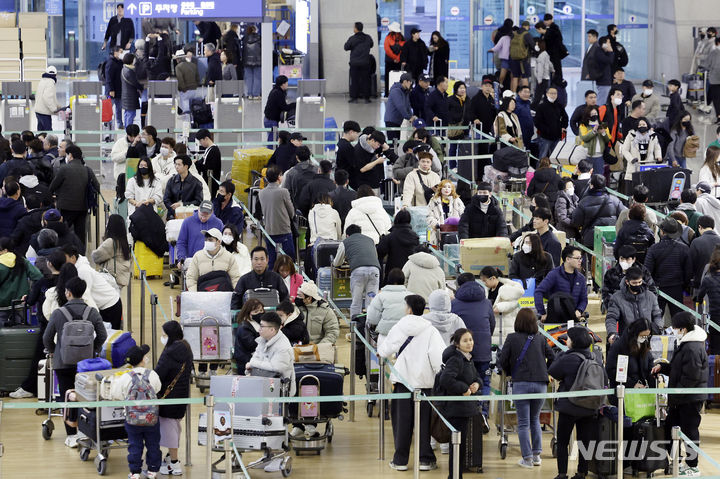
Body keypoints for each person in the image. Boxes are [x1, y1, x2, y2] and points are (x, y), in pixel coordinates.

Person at [378, 294, 444, 471]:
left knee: (401, 423)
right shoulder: (431, 330)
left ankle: (400, 460)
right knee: (424, 422)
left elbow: (385, 350)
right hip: (424, 383)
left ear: (409, 309)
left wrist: (382, 351)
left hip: (402, 381)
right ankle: (424, 459)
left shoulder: (400, 326)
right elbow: (439, 359)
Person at [44, 276, 107, 448]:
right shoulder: (92, 312)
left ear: (68, 293)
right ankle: (85, 431)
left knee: (67, 396)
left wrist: (53, 350)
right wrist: (94, 349)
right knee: (86, 397)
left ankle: (71, 435)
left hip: (63, 363)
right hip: (86, 364)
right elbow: (102, 335)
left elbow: (47, 337)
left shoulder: (58, 313)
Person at [651, 312, 708, 477]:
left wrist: (676, 394)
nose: (673, 330)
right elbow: (678, 369)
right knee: (672, 427)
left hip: (689, 398)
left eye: (675, 328)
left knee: (690, 432)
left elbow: (691, 377)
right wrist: (663, 367)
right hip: (681, 398)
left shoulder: (692, 347)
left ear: (683, 329)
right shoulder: (686, 343)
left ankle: (693, 465)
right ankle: (678, 460)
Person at [499, 308, 555, 468]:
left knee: (523, 423)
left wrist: (510, 372)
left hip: (521, 383)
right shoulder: (540, 338)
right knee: (535, 419)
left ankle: (527, 459)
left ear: (518, 322)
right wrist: (546, 372)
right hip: (540, 384)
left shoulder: (511, 338)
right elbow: (553, 357)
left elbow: (502, 361)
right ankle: (537, 456)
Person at [547, 327, 601, 479]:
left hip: (569, 407)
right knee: (585, 441)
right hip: (589, 406)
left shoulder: (567, 357)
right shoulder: (594, 357)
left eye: (568, 338)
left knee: (563, 441)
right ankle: (582, 472)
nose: (567, 340)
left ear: (574, 341)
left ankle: (562, 473)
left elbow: (553, 371)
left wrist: (561, 353)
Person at [108, 344, 163, 479]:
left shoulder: (125, 377)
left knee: (134, 444)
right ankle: (152, 470)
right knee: (153, 444)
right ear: (143, 359)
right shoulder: (153, 374)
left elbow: (116, 394)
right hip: (151, 419)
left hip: (132, 419)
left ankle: (135, 472)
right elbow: (158, 389)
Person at [438, 328, 482, 479]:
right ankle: (454, 475)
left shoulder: (468, 358)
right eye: (465, 340)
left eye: (470, 339)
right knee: (457, 446)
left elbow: (476, 377)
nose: (469, 343)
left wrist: (477, 384)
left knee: (460, 445)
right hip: (456, 409)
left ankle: (456, 475)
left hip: (465, 408)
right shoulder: (456, 359)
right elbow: (446, 379)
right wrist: (464, 389)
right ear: (457, 344)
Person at [450, 272, 494, 421]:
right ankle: (483, 412)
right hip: (483, 351)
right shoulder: (487, 303)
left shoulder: (454, 303)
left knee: (464, 381)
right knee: (485, 381)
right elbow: (492, 325)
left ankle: (469, 413)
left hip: (462, 352)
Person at [155, 321, 193, 476]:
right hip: (182, 394)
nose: (162, 337)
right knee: (175, 426)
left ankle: (174, 463)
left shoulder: (170, 352)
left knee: (169, 429)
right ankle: (171, 457)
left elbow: (159, 374)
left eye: (164, 334)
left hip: (168, 397)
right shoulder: (186, 347)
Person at [47, 145, 100, 248]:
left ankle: (66, 252)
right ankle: (81, 254)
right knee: (80, 233)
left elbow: (52, 186)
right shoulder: (87, 170)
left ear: (70, 155)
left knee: (64, 231)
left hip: (65, 206)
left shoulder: (64, 169)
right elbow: (97, 186)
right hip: (82, 207)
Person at [644, 217, 692, 319]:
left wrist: (652, 286)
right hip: (677, 288)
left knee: (656, 318)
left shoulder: (653, 249)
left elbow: (647, 271)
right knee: (678, 319)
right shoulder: (684, 249)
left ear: (662, 231)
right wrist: (683, 285)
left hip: (658, 288)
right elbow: (688, 272)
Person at [333, 223, 381, 317]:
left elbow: (337, 262)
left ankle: (355, 328)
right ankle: (370, 327)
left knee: (356, 301)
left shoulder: (345, 242)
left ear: (347, 235)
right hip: (375, 270)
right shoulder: (370, 240)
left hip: (358, 271)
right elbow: (375, 256)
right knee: (371, 300)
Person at [605, 266, 663, 342]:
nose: (637, 285)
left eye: (640, 282)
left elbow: (657, 315)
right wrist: (612, 333)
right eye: (634, 283)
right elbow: (611, 318)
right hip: (627, 340)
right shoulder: (617, 298)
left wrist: (657, 330)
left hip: (647, 339)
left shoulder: (650, 296)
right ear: (627, 282)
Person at [245, 312, 297, 395]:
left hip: (279, 391)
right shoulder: (262, 340)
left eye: (262, 326)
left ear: (272, 329)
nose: (259, 329)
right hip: (261, 387)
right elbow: (255, 358)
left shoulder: (283, 346)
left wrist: (253, 364)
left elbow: (276, 367)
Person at [571, 174, 626, 249]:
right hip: (611, 238)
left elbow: (576, 222)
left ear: (591, 186)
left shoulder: (584, 202)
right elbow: (623, 217)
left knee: (592, 260)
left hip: (591, 240)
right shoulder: (615, 200)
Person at [534, 245, 588, 321]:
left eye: (581, 258)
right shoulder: (554, 274)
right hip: (556, 319)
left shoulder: (581, 278)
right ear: (568, 259)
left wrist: (579, 310)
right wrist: (542, 312)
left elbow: (584, 299)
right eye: (577, 258)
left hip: (574, 319)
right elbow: (538, 291)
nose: (580, 261)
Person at [606, 318, 655, 398]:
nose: (644, 339)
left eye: (647, 336)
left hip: (642, 393)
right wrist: (632, 384)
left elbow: (649, 364)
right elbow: (610, 370)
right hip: (623, 393)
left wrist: (654, 374)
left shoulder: (644, 344)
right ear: (635, 334)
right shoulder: (619, 346)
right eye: (642, 336)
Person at [258, 166, 295, 268]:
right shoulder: (283, 192)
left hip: (269, 230)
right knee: (289, 259)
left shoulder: (261, 193)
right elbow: (291, 212)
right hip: (284, 230)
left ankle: (271, 281)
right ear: (279, 177)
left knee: (271, 260)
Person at [185, 228, 241, 292]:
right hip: (203, 295)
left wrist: (235, 294)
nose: (207, 242)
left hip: (223, 295)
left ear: (219, 242)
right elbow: (191, 278)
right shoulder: (198, 256)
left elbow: (235, 278)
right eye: (206, 240)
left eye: (210, 240)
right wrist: (195, 295)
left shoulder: (229, 257)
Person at [602, 245, 657, 310]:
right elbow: (606, 292)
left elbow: (652, 291)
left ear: (634, 259)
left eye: (628, 259)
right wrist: (612, 308)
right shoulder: (611, 273)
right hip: (618, 310)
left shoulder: (643, 272)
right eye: (622, 259)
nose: (624, 262)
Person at [479, 266, 524, 345]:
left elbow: (514, 304)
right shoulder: (488, 290)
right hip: (496, 327)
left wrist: (500, 307)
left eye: (485, 281)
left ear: (492, 278)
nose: (484, 284)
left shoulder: (506, 289)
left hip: (506, 327)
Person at [367, 268, 413, 345]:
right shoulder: (412, 296)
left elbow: (372, 320)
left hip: (386, 336)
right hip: (407, 337)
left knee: (385, 356)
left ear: (389, 280)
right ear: (403, 280)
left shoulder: (379, 296)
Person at [174, 200, 223, 267]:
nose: (203, 218)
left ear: (211, 212)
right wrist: (181, 259)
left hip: (212, 262)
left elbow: (222, 244)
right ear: (198, 209)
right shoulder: (188, 222)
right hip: (192, 261)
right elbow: (181, 242)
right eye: (201, 215)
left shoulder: (218, 223)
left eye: (206, 216)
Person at [377, 209, 419, 285]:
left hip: (392, 273)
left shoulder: (390, 237)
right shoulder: (415, 236)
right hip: (410, 272)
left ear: (396, 219)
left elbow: (379, 252)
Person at [0, 238, 42, 311]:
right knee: (19, 322)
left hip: (2, 305)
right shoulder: (22, 260)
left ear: (5, 250)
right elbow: (38, 276)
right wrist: (31, 293)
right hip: (20, 303)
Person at [90, 214, 131, 289]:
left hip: (112, 277)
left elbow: (96, 257)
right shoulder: (124, 241)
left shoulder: (111, 242)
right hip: (121, 276)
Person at [162, 154, 204, 222]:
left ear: (186, 166)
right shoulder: (171, 181)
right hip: (172, 213)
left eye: (179, 165)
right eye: (175, 164)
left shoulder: (196, 183)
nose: (176, 167)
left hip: (190, 214)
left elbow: (199, 201)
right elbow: (166, 199)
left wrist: (182, 205)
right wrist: (174, 209)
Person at [622, 117, 663, 182]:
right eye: (640, 125)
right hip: (635, 165)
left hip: (648, 164)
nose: (642, 126)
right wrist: (631, 159)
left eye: (644, 124)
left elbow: (657, 148)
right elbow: (624, 150)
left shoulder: (653, 135)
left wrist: (658, 156)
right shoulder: (631, 135)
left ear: (647, 125)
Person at [696, 247, 720, 353]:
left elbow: (700, 296)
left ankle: (715, 366)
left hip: (715, 316)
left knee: (715, 343)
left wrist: (699, 300)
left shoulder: (708, 279)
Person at [426, 179, 465, 244]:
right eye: (444, 187)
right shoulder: (433, 200)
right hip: (438, 232)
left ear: (452, 189)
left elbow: (463, 215)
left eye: (449, 187)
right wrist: (436, 225)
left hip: (454, 232)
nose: (446, 189)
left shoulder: (457, 200)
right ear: (440, 189)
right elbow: (429, 216)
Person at [534, 87, 569, 159]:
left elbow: (565, 118)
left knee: (555, 158)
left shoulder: (559, 106)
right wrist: (546, 130)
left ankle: (554, 170)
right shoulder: (541, 106)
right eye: (551, 93)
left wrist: (563, 127)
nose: (553, 95)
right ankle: (540, 170)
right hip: (545, 138)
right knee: (542, 157)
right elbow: (537, 122)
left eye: (555, 93)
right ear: (547, 94)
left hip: (557, 137)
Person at [344, 22, 374, 103]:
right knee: (366, 80)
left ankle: (354, 98)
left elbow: (346, 47)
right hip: (365, 62)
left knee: (354, 81)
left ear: (356, 28)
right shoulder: (368, 38)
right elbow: (371, 45)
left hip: (354, 63)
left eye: (354, 27)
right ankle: (367, 98)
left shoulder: (352, 38)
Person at [233, 299, 265, 372]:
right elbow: (252, 345)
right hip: (246, 363)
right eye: (256, 312)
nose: (260, 313)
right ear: (248, 313)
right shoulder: (244, 327)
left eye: (261, 310)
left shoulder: (260, 324)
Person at [690, 215, 720, 289]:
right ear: (712, 227)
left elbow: (691, 264)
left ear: (700, 227)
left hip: (700, 284)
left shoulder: (696, 242)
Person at [384, 73, 415, 143]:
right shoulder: (396, 91)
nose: (411, 84)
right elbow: (400, 106)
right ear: (404, 82)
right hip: (391, 120)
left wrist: (411, 116)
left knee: (396, 142)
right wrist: (408, 117)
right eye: (410, 82)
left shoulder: (405, 92)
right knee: (392, 143)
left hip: (398, 121)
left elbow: (408, 105)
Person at [263, 76, 296, 142]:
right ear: (283, 84)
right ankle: (271, 152)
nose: (287, 85)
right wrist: (295, 104)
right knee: (272, 141)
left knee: (272, 139)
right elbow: (284, 107)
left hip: (268, 119)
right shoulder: (278, 93)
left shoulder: (275, 90)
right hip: (271, 121)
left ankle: (272, 151)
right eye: (286, 83)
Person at [174, 48, 201, 120]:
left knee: (186, 111)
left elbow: (180, 80)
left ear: (178, 59)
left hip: (185, 91)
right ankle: (194, 123)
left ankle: (187, 126)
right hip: (194, 90)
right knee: (194, 108)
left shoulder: (178, 67)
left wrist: (183, 89)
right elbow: (198, 78)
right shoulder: (193, 65)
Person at [194, 129, 221, 197]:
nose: (200, 143)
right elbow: (203, 161)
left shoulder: (214, 150)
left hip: (211, 182)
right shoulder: (208, 149)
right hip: (207, 180)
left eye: (200, 141)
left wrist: (196, 163)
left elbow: (208, 167)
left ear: (206, 138)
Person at [508, 21, 534, 92]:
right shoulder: (526, 34)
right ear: (527, 26)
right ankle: (526, 93)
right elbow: (532, 45)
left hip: (513, 58)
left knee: (515, 77)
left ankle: (513, 94)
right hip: (523, 59)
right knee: (524, 77)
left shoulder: (514, 33)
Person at [120, 53, 144, 127]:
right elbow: (135, 83)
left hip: (126, 95)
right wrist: (142, 87)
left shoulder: (124, 69)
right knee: (131, 114)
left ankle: (127, 129)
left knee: (127, 114)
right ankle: (129, 131)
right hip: (130, 96)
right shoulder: (129, 71)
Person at [541, 14, 565, 82]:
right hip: (549, 53)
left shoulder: (554, 28)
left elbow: (558, 39)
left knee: (556, 69)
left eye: (547, 20)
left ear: (551, 20)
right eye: (545, 20)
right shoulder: (546, 28)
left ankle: (557, 84)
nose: (546, 22)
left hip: (555, 53)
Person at [34, 66, 60, 131]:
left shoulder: (42, 81)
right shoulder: (50, 83)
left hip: (38, 111)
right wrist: (54, 109)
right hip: (44, 112)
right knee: (48, 133)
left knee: (40, 133)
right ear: (55, 75)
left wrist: (58, 106)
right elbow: (47, 98)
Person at [384, 22, 405, 97]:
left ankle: (387, 94)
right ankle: (396, 93)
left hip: (390, 61)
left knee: (389, 78)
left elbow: (387, 50)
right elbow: (402, 50)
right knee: (397, 78)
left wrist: (395, 58)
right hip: (397, 61)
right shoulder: (402, 38)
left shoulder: (388, 37)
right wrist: (397, 58)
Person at [489, 21, 512, 86]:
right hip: (510, 56)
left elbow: (495, 43)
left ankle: (500, 85)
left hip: (502, 56)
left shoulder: (498, 32)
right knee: (512, 74)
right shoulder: (511, 34)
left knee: (502, 71)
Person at [532, 39, 554, 109]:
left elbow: (540, 69)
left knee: (537, 97)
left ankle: (532, 108)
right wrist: (553, 70)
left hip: (542, 79)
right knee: (545, 95)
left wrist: (539, 79)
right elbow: (550, 64)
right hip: (546, 78)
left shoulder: (541, 56)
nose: (536, 46)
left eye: (537, 44)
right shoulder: (545, 54)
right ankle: (548, 108)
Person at [241, 25, 262, 98]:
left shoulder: (244, 38)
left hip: (246, 61)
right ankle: (256, 95)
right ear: (255, 30)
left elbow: (242, 50)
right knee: (257, 78)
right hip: (258, 61)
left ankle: (249, 94)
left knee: (248, 78)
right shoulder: (260, 38)